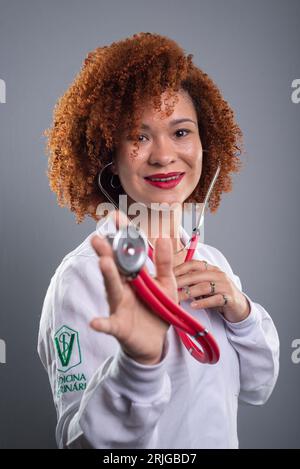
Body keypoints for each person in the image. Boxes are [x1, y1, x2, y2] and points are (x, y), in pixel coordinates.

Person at [37, 32, 280, 449]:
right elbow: (75, 442)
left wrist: (240, 313)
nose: (164, 155)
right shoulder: (83, 278)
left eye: (181, 132)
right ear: (107, 155)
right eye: (139, 136)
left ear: (206, 143)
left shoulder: (210, 262)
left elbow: (259, 387)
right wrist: (137, 365)